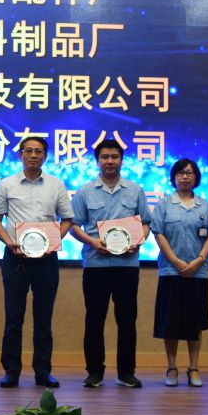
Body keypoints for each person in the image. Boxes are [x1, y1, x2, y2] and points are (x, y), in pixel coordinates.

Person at [0, 136, 73, 389]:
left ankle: (43, 371)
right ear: (21, 155)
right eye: (28, 151)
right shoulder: (7, 184)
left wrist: (53, 241)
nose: (33, 155)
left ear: (45, 156)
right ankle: (11, 371)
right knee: (13, 319)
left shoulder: (56, 184)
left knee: (44, 320)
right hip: (15, 258)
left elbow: (67, 219)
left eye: (38, 151)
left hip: (47, 260)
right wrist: (9, 242)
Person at [70, 138, 151, 388]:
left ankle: (126, 372)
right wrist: (92, 242)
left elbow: (146, 222)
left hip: (127, 266)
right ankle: (94, 372)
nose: (109, 161)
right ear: (97, 161)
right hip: (96, 265)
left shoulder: (135, 190)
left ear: (122, 160)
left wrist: (139, 240)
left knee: (127, 320)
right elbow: (73, 225)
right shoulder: (84, 191)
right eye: (104, 157)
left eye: (114, 157)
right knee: (94, 319)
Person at [151, 158, 208, 388]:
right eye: (181, 173)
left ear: (196, 177)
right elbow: (158, 234)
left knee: (195, 322)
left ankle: (193, 368)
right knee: (170, 322)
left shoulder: (205, 206)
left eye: (189, 173)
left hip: (197, 273)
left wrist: (198, 261)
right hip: (170, 271)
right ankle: (171, 368)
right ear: (173, 177)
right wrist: (176, 261)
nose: (185, 176)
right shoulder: (164, 203)